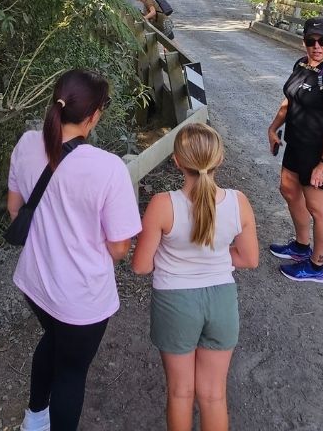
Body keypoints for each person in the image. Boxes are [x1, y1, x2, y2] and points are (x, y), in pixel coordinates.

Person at [6, 69, 142, 431]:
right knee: (71, 372)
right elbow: (118, 248)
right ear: (95, 113)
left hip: (35, 284)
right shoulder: (108, 168)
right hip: (81, 299)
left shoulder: (26, 143)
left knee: (52, 340)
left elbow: (15, 210)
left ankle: (34, 419)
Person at [131, 123, 259, 431]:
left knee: (180, 392)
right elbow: (249, 259)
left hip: (176, 303)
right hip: (222, 302)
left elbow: (141, 266)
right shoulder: (238, 202)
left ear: (177, 162)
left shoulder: (163, 205)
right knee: (214, 395)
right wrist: (213, 258)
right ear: (220, 159)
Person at [265, 17, 323, 283]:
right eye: (311, 41)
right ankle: (302, 247)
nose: (317, 46)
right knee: (289, 191)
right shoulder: (302, 65)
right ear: (304, 41)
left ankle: (316, 267)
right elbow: (289, 100)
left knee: (318, 208)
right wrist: (273, 128)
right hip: (296, 145)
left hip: (320, 153)